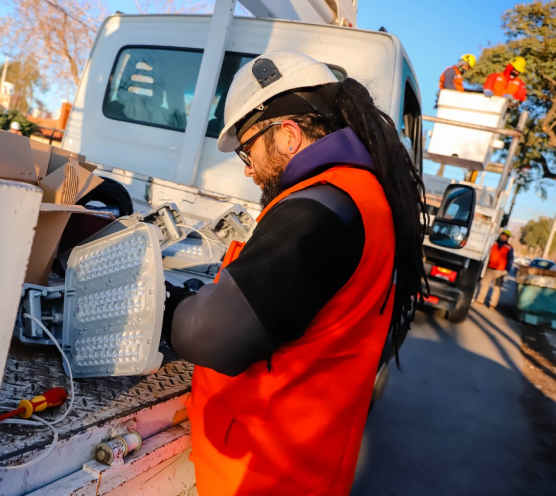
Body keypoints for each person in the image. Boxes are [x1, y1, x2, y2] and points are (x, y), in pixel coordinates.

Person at [162, 51, 427, 496]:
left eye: (247, 149)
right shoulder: (363, 196)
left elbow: (214, 335)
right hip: (307, 467)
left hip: (262, 474)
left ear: (287, 134)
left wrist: (164, 306)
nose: (247, 168)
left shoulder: (322, 206)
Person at [476, 230, 514, 309]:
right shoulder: (493, 243)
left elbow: (510, 259)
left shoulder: (509, 247)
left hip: (500, 271)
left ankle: (493, 304)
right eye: (503, 235)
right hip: (489, 268)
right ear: (500, 235)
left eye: (506, 236)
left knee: (496, 288)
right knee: (484, 285)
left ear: (507, 238)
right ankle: (480, 300)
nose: (504, 237)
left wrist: (506, 270)